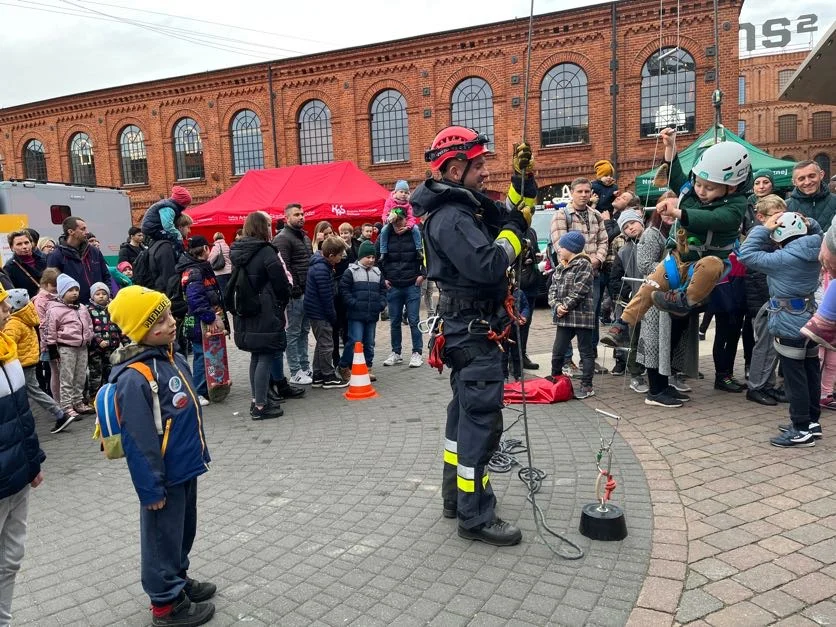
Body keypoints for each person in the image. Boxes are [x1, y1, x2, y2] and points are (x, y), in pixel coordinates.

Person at [411, 125, 535, 546]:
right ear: (456, 166)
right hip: (474, 334)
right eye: (479, 165)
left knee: (463, 418)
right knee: (480, 423)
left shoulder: (464, 208)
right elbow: (486, 264)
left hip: (469, 331)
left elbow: (511, 212)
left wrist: (524, 182)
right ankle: (475, 515)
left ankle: (456, 499)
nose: (485, 172)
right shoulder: (452, 217)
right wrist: (513, 241)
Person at [106, 286, 215, 627]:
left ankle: (178, 580)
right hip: (162, 477)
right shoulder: (135, 377)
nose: (171, 323)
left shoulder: (171, 357)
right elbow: (138, 441)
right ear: (140, 331)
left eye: (169, 314)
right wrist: (150, 489)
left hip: (185, 466)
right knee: (159, 539)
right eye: (160, 321)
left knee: (182, 531)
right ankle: (165, 604)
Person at [602, 129, 750, 344]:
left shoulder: (737, 204)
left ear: (732, 186)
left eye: (709, 188)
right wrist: (670, 146)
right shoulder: (691, 190)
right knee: (650, 285)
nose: (701, 190)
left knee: (711, 264)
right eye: (698, 184)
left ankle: (686, 300)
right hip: (679, 259)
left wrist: (678, 212)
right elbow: (674, 174)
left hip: (707, 263)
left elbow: (717, 219)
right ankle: (623, 325)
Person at [738, 211, 823, 447]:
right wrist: (810, 221)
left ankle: (800, 428)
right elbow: (817, 230)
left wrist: (763, 228)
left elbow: (746, 254)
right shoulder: (816, 246)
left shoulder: (783, 259)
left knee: (795, 377)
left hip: (787, 319)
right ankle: (811, 422)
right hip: (808, 316)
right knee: (810, 371)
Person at [0, 283, 45, 626]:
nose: (7, 311)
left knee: (11, 558)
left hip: (18, 475)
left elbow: (22, 415)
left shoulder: (9, 351)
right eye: (1, 306)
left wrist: (33, 462)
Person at [229, 212, 291, 420]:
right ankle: (261, 406)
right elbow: (280, 282)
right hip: (265, 310)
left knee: (256, 356)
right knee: (264, 355)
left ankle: (257, 400)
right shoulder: (266, 252)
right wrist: (282, 301)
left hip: (246, 310)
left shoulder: (238, 251)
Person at [549, 177, 609, 371]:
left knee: (591, 317)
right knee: (566, 319)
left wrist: (597, 260)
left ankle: (589, 358)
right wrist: (583, 261)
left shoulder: (596, 215)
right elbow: (560, 246)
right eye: (580, 191)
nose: (584, 195)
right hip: (570, 276)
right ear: (572, 193)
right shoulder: (562, 215)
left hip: (594, 274)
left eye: (587, 191)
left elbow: (603, 241)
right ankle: (566, 360)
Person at [4, 288, 74, 434]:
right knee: (30, 391)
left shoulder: (13, 323)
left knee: (33, 391)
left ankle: (60, 414)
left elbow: (7, 343)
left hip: (21, 362)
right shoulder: (25, 318)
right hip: (29, 360)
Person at [743, 195, 787, 406]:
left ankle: (767, 385)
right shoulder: (758, 236)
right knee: (765, 345)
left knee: (772, 345)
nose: (781, 220)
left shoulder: (773, 236)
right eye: (777, 216)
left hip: (771, 298)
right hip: (762, 300)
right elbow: (756, 273)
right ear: (761, 217)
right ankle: (757, 386)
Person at [175, 235, 225, 407]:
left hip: (202, 318)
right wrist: (209, 317)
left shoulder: (199, 267)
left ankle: (209, 387)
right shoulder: (195, 271)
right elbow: (195, 298)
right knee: (201, 356)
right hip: (199, 321)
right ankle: (198, 391)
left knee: (207, 355)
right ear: (204, 249)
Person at [547, 232, 596, 398]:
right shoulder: (560, 266)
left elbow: (580, 290)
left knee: (586, 351)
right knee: (558, 350)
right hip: (564, 317)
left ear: (572, 248)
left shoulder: (584, 264)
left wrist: (565, 305)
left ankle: (587, 385)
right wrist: (556, 306)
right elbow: (552, 289)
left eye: (562, 246)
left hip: (582, 316)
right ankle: (556, 379)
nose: (559, 249)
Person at [378, 212, 425, 369]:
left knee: (413, 320)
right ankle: (396, 352)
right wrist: (383, 278)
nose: (398, 224)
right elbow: (378, 257)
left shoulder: (414, 233)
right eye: (395, 221)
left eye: (401, 221)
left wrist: (422, 274)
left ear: (406, 219)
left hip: (412, 283)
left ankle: (417, 352)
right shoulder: (385, 235)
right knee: (394, 321)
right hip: (393, 284)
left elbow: (425, 254)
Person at [43, 274, 94, 419]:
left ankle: (78, 402)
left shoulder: (82, 308)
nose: (74, 293)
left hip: (82, 346)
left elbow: (89, 324)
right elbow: (50, 330)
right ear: (62, 292)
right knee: (67, 377)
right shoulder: (54, 310)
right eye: (70, 290)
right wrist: (52, 348)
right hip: (66, 348)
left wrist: (89, 337)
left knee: (80, 376)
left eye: (76, 289)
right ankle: (66, 406)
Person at [273, 204, 313, 386]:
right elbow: (283, 267)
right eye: (297, 214)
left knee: (304, 331)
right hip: (295, 295)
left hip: (307, 291)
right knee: (293, 333)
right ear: (287, 217)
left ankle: (305, 366)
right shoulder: (282, 238)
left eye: (302, 214)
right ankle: (295, 370)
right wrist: (293, 289)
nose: (301, 217)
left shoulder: (304, 236)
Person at [304, 237, 350, 389]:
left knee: (321, 343)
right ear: (331, 255)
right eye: (339, 255)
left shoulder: (320, 265)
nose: (341, 258)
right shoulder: (322, 269)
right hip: (320, 313)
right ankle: (328, 375)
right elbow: (326, 297)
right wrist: (332, 316)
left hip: (315, 311)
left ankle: (317, 374)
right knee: (327, 344)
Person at [338, 239, 386, 382]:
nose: (371, 260)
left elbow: (383, 290)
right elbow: (344, 290)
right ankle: (344, 366)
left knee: (370, 342)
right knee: (355, 341)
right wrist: (353, 303)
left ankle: (367, 367)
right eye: (368, 257)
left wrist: (381, 304)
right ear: (360, 257)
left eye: (373, 257)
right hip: (356, 314)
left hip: (372, 314)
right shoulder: (351, 271)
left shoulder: (377, 272)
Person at [607, 209, 645, 377]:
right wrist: (630, 294)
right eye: (626, 226)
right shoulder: (624, 251)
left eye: (633, 223)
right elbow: (615, 279)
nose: (631, 228)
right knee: (633, 337)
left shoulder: (657, 241)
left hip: (655, 298)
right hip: (635, 301)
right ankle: (633, 370)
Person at [46, 216, 111, 305]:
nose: (87, 232)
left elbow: (106, 276)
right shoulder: (56, 255)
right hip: (74, 308)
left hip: (99, 306)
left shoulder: (94, 251)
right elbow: (52, 285)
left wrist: (108, 294)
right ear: (71, 232)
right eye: (83, 229)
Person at [86, 281, 122, 396]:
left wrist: (126, 342)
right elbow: (88, 329)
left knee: (111, 371)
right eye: (98, 294)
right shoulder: (88, 310)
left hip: (112, 348)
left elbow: (119, 327)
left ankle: (111, 395)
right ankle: (94, 396)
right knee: (96, 373)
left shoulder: (113, 309)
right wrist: (99, 340)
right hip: (96, 350)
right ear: (92, 296)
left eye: (104, 293)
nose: (101, 296)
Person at [32, 269, 60, 401]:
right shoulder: (40, 300)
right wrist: (46, 344)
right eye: (54, 286)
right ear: (47, 284)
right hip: (49, 342)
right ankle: (58, 400)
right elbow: (42, 324)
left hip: (59, 339)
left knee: (61, 372)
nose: (56, 289)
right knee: (55, 372)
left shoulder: (56, 296)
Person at [786, 160, 836, 232]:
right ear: (794, 182)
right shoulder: (785, 207)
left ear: (821, 175)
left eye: (812, 176)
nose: (807, 182)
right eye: (801, 179)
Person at [379, 180, 422, 257]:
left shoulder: (409, 204)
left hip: (405, 224)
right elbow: (385, 213)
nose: (403, 194)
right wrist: (387, 220)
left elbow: (411, 217)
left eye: (406, 192)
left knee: (416, 229)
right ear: (396, 192)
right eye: (401, 192)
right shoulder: (389, 201)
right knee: (384, 230)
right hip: (391, 223)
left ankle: (419, 249)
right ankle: (383, 251)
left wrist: (407, 227)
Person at [4, 230, 46, 297]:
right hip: (29, 305)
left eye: (26, 243)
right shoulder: (9, 267)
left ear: (31, 244)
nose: (24, 246)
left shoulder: (45, 258)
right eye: (19, 244)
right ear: (12, 248)